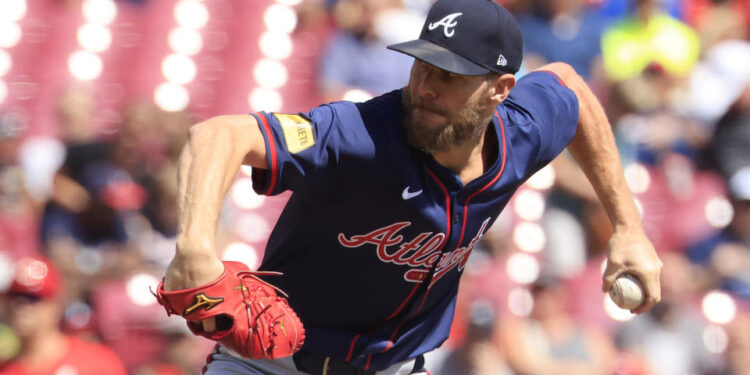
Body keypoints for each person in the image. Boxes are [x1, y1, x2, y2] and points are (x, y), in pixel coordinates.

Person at [162, 0, 663, 374]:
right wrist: (195, 247)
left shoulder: (523, 132)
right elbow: (217, 134)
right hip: (272, 363)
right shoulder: (358, 133)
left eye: (449, 76)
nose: (425, 86)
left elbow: (570, 87)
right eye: (421, 65)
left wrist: (628, 228)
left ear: (500, 89)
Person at [0, 256, 127, 375]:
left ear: (55, 305)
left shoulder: (96, 361)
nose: (21, 305)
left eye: (33, 298)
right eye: (14, 296)